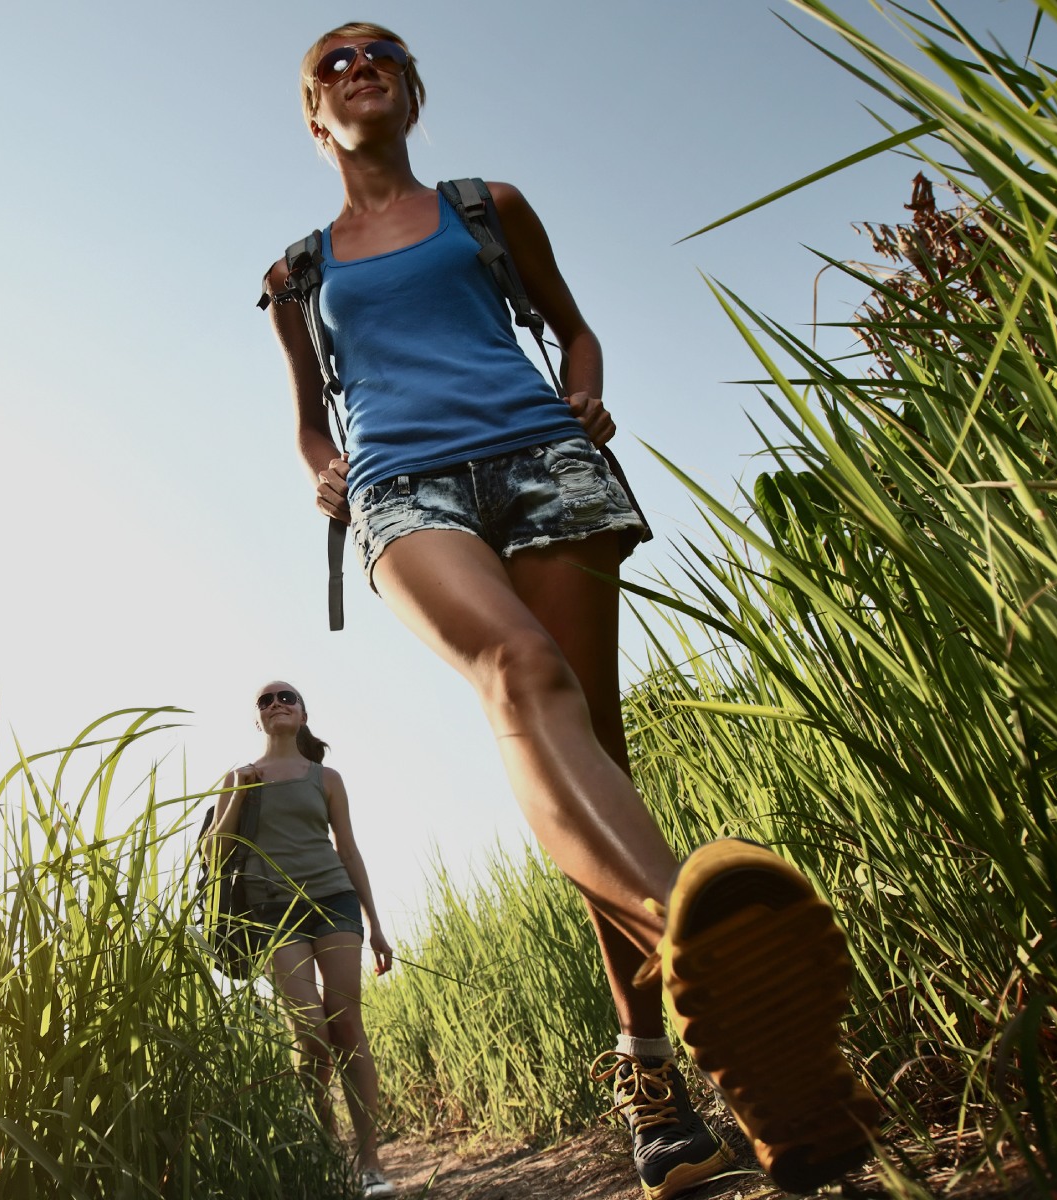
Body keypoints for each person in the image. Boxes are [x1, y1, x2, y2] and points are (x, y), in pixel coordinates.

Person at [258, 23, 881, 1200]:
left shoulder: (489, 205)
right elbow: (306, 416)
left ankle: (665, 1083)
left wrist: (585, 390)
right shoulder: (298, 273)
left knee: (593, 744)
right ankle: (710, 960)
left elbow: (571, 324)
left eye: (378, 50)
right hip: (405, 488)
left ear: (410, 85)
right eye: (332, 63)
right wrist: (317, 470)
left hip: (542, 458)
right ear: (312, 116)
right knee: (519, 673)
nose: (358, 66)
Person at [206, 682, 396, 1198]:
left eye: (285, 696)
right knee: (310, 1030)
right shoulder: (239, 777)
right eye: (265, 701)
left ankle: (371, 1160)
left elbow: (349, 850)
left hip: (334, 900)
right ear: (259, 720)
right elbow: (214, 853)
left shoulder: (326, 778)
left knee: (345, 1020)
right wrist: (239, 796)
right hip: (273, 911)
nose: (276, 704)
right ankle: (325, 1143)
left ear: (303, 712)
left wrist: (376, 925)